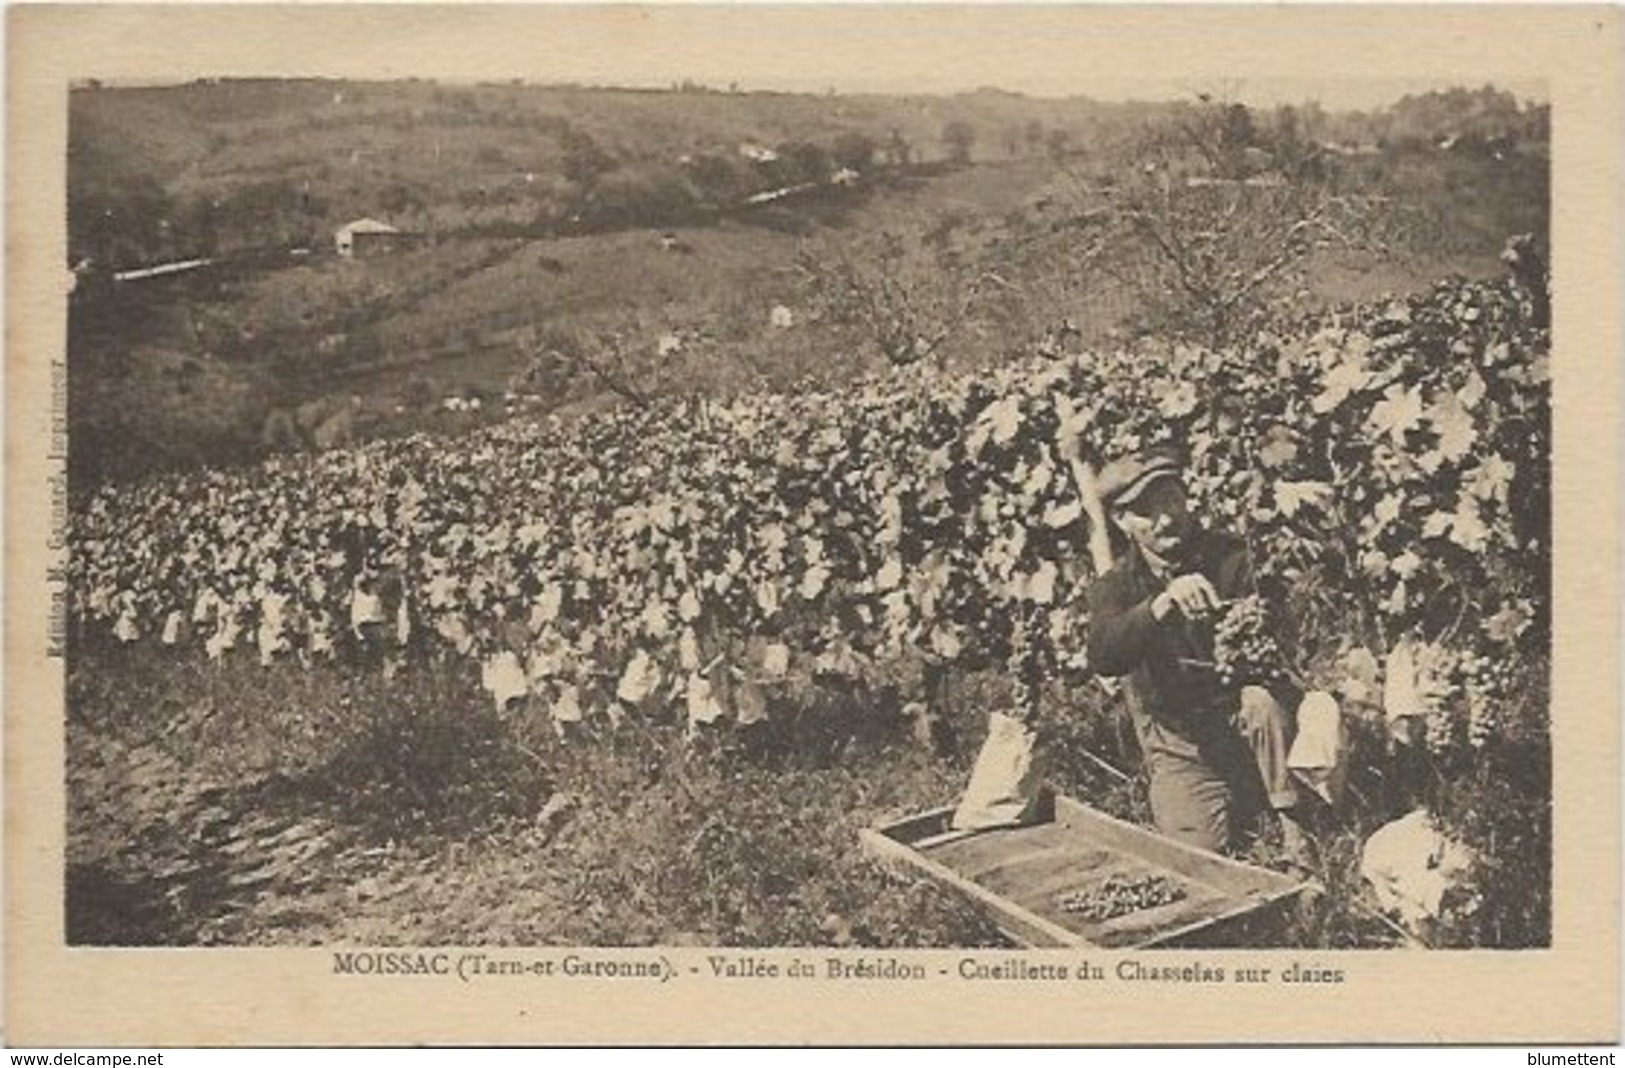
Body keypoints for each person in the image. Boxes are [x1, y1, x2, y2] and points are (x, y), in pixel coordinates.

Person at [1084, 447, 1308, 859]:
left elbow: (1279, 637)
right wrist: (1159, 606)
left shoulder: (1232, 557)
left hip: (1245, 720)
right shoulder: (1116, 586)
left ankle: (1298, 837)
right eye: (1146, 511)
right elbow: (1104, 655)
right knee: (1197, 859)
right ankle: (1244, 791)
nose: (1166, 518)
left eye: (1171, 499)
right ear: (1122, 521)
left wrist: (1258, 622)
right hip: (1180, 742)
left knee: (1262, 702)